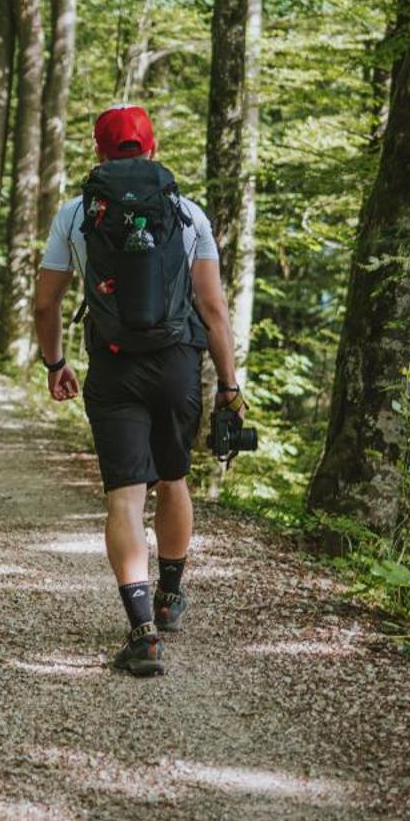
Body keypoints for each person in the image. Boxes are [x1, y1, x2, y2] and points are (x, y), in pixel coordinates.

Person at [32, 105, 245, 676]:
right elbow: (213, 308)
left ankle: (142, 628)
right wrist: (229, 386)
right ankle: (172, 595)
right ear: (150, 148)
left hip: (114, 364)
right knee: (173, 478)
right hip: (178, 361)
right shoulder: (187, 212)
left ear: (99, 152)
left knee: (125, 494)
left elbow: (46, 302)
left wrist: (54, 362)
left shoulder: (76, 215)